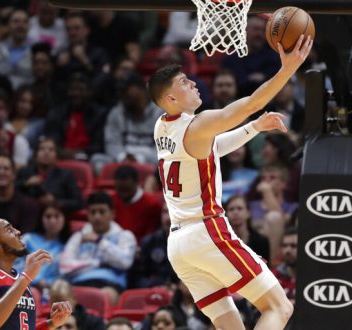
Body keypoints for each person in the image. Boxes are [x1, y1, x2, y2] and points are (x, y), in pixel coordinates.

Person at [148, 34, 312, 329]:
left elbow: (211, 149)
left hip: (179, 245)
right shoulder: (197, 124)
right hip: (206, 231)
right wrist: (288, 69)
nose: (193, 84)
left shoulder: (162, 126)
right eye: (184, 83)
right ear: (171, 98)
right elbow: (252, 102)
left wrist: (253, 128)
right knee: (279, 307)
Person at [0, 213, 72, 329]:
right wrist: (25, 277)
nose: (18, 232)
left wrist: (51, 323)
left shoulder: (19, 279)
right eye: (9, 230)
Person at [59, 192, 137, 304]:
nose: (97, 217)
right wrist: (98, 263)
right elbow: (65, 267)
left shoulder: (124, 236)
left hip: (108, 284)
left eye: (102, 212)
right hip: (77, 284)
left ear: (112, 213)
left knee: (106, 296)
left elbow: (125, 262)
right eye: (93, 212)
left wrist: (99, 241)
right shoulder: (78, 237)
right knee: (58, 291)